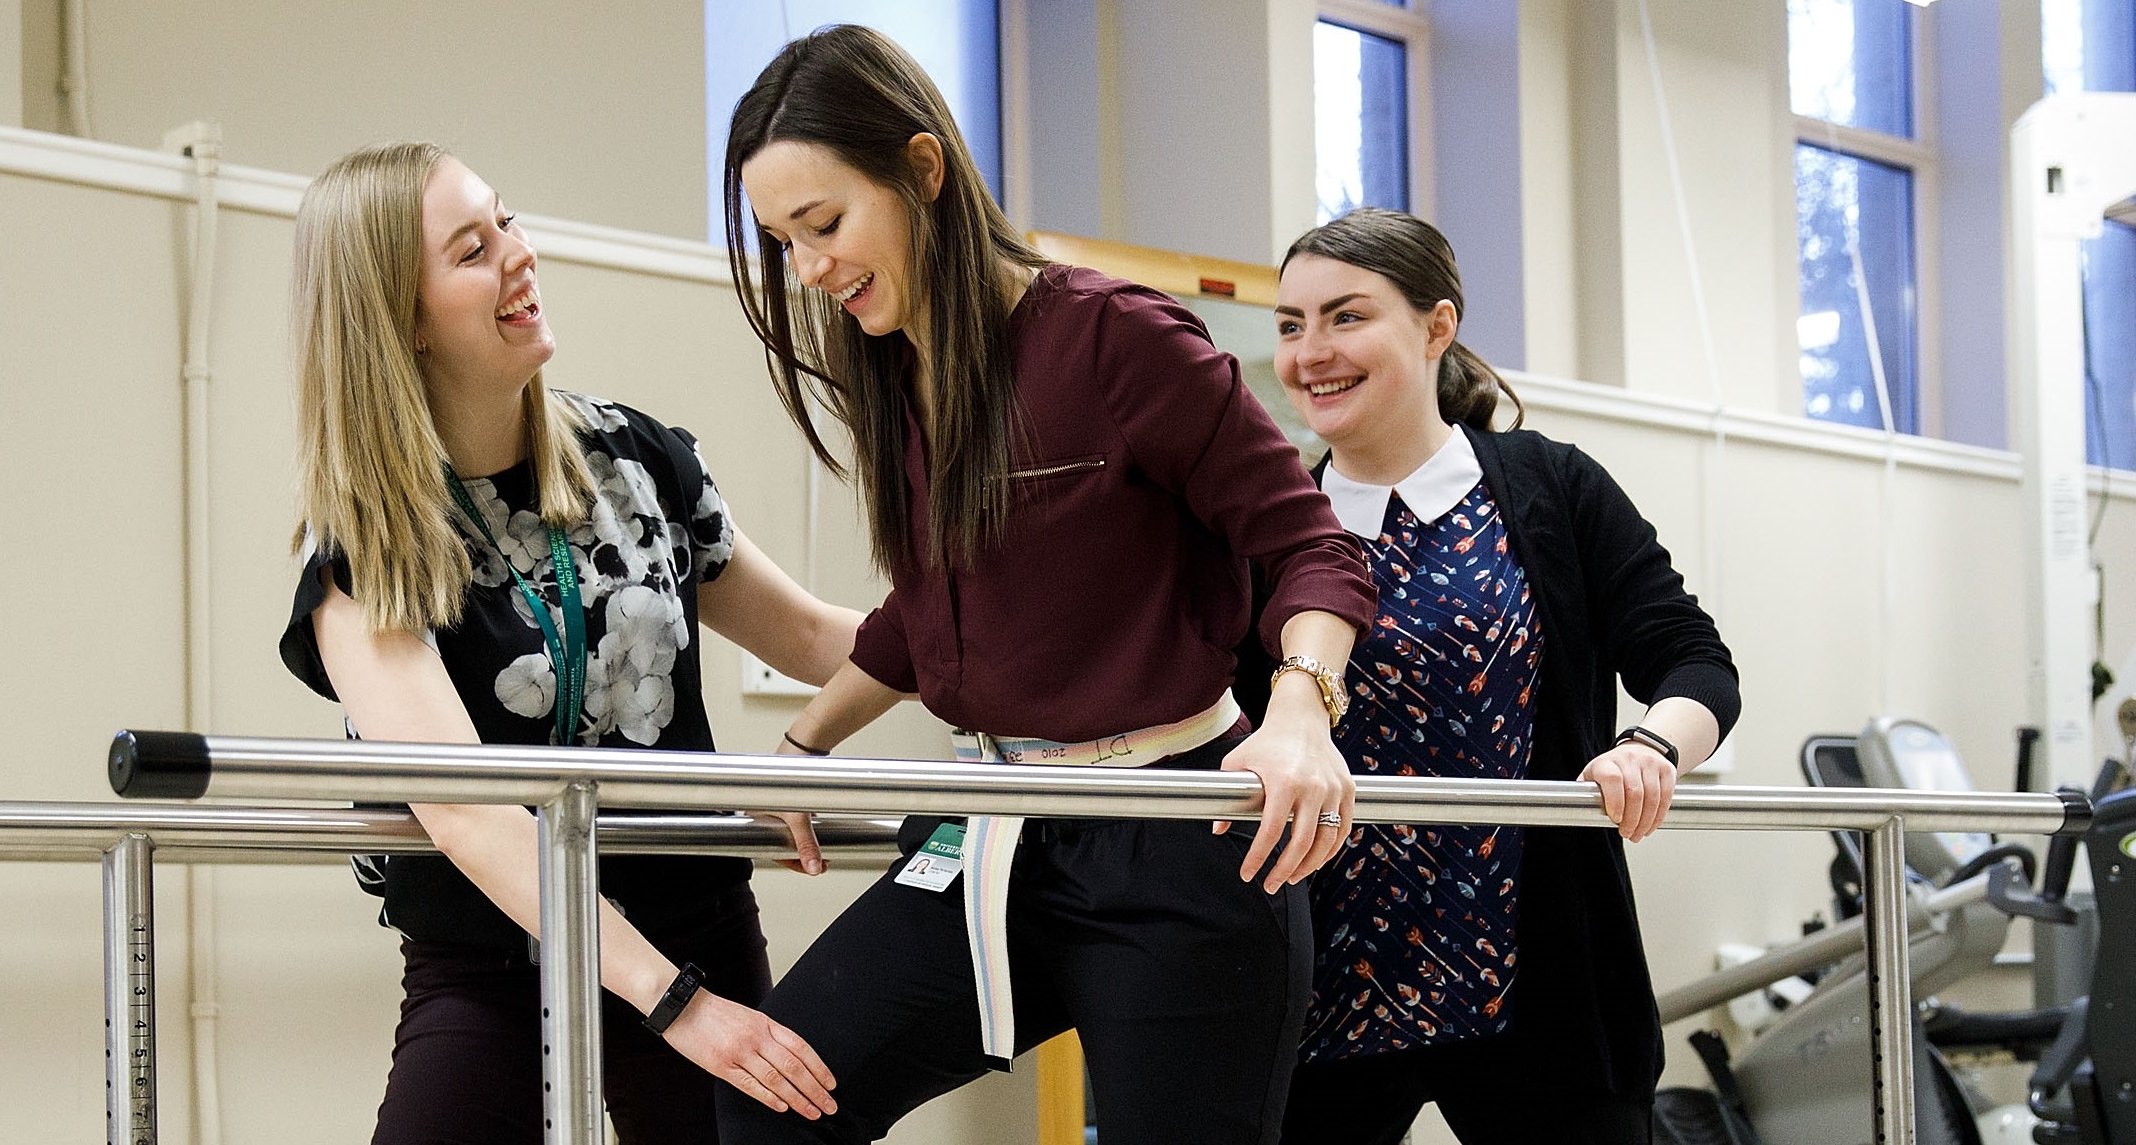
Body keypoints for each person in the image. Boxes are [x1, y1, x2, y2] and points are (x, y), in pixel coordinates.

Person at [712, 25, 1378, 1145]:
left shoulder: (1117, 338)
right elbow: (929, 611)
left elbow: (1313, 546)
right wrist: (800, 750)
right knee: (770, 1097)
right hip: (991, 828)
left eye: (823, 226)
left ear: (923, 170)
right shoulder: (899, 366)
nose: (811, 269)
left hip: (1174, 835)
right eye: (784, 243)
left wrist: (1303, 713)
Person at [279, 139, 852, 1144]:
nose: (519, 254)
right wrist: (674, 1002)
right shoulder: (365, 555)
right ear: (399, 319)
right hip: (492, 960)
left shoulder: (640, 463)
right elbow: (469, 813)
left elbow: (812, 636)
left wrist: (1011, 637)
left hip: (694, 923)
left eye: (507, 221)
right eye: (471, 249)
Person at [1261, 207, 1741, 1144]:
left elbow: (1692, 657)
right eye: (1290, 324)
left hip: (1542, 986)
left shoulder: (1550, 486)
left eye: (1345, 316)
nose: (1310, 352)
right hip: (1325, 989)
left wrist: (1650, 745)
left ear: (1437, 327)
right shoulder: (1275, 520)